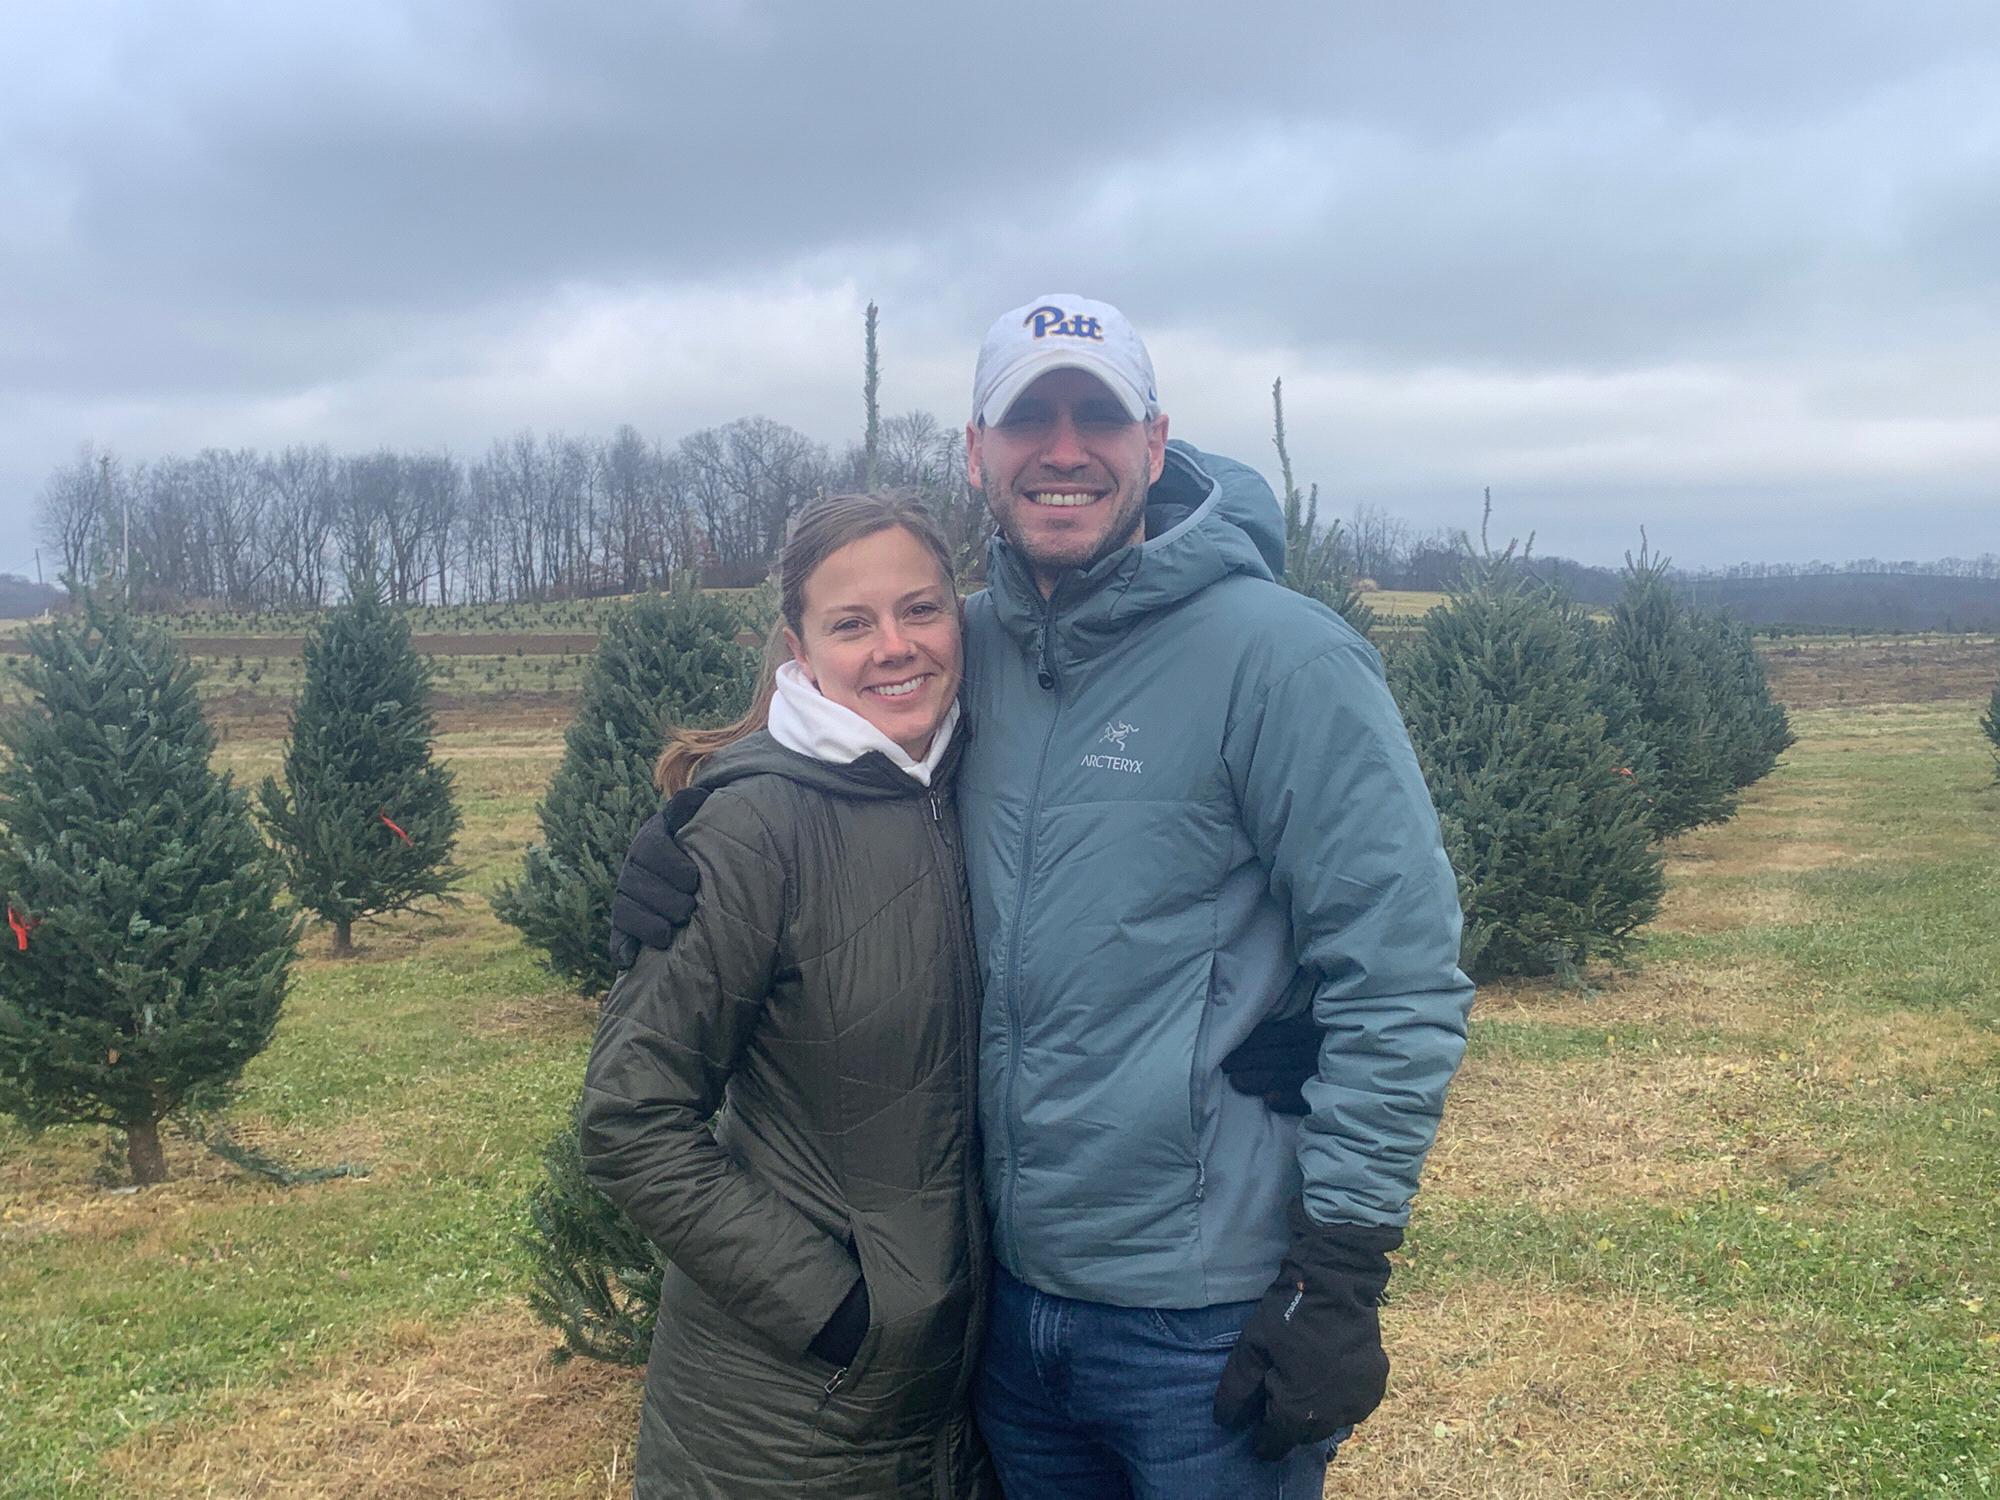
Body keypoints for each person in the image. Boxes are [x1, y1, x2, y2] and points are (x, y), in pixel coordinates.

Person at [615, 294, 1475, 1498]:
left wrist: (1337, 1274)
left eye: (1096, 416)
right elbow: (827, 714)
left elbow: (1400, 974)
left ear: (1154, 442)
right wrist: (689, 820)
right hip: (1002, 1309)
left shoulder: (1284, 658)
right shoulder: (968, 644)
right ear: (977, 452)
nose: (1062, 448)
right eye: (1028, 419)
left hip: (1197, 1318)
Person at [579, 494, 993, 1499]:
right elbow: (628, 1119)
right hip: (789, 1411)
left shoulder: (974, 782)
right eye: (851, 623)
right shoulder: (753, 830)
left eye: (920, 610)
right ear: (798, 651)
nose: (893, 647)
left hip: (957, 1403)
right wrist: (839, 1314)